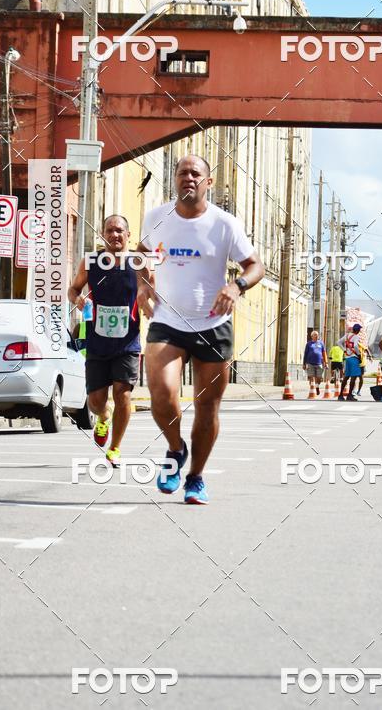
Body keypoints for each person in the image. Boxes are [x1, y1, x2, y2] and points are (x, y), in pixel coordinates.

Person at [136, 155, 264, 505]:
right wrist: (143, 285)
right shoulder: (156, 217)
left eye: (196, 173)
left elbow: (256, 265)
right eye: (182, 173)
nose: (188, 178)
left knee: (207, 407)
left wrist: (236, 286)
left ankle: (195, 477)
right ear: (174, 180)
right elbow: (141, 255)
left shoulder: (224, 223)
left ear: (208, 182)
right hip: (167, 321)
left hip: (213, 323)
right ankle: (176, 449)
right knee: (162, 394)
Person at [68, 215, 140, 467]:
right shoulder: (91, 262)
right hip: (98, 342)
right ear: (103, 235)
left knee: (123, 395)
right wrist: (77, 299)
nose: (115, 235)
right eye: (109, 230)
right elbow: (73, 289)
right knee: (96, 401)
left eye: (119, 230)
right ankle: (103, 416)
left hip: (127, 343)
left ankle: (115, 448)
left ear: (128, 234)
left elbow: (153, 289)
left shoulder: (138, 263)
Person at [337, 323, 365, 402]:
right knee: (354, 377)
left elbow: (338, 342)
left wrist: (344, 350)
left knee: (346, 377)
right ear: (358, 330)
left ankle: (340, 395)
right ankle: (349, 395)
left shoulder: (346, 335)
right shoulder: (356, 337)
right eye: (359, 329)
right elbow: (356, 346)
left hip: (347, 358)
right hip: (354, 358)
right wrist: (359, 355)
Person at [303, 331, 328, 395]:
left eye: (317, 335)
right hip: (310, 363)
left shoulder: (321, 343)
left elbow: (324, 353)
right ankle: (312, 389)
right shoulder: (308, 344)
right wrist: (304, 363)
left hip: (319, 363)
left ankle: (317, 386)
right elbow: (305, 354)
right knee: (311, 376)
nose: (316, 336)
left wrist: (326, 363)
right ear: (312, 336)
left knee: (319, 377)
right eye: (315, 335)